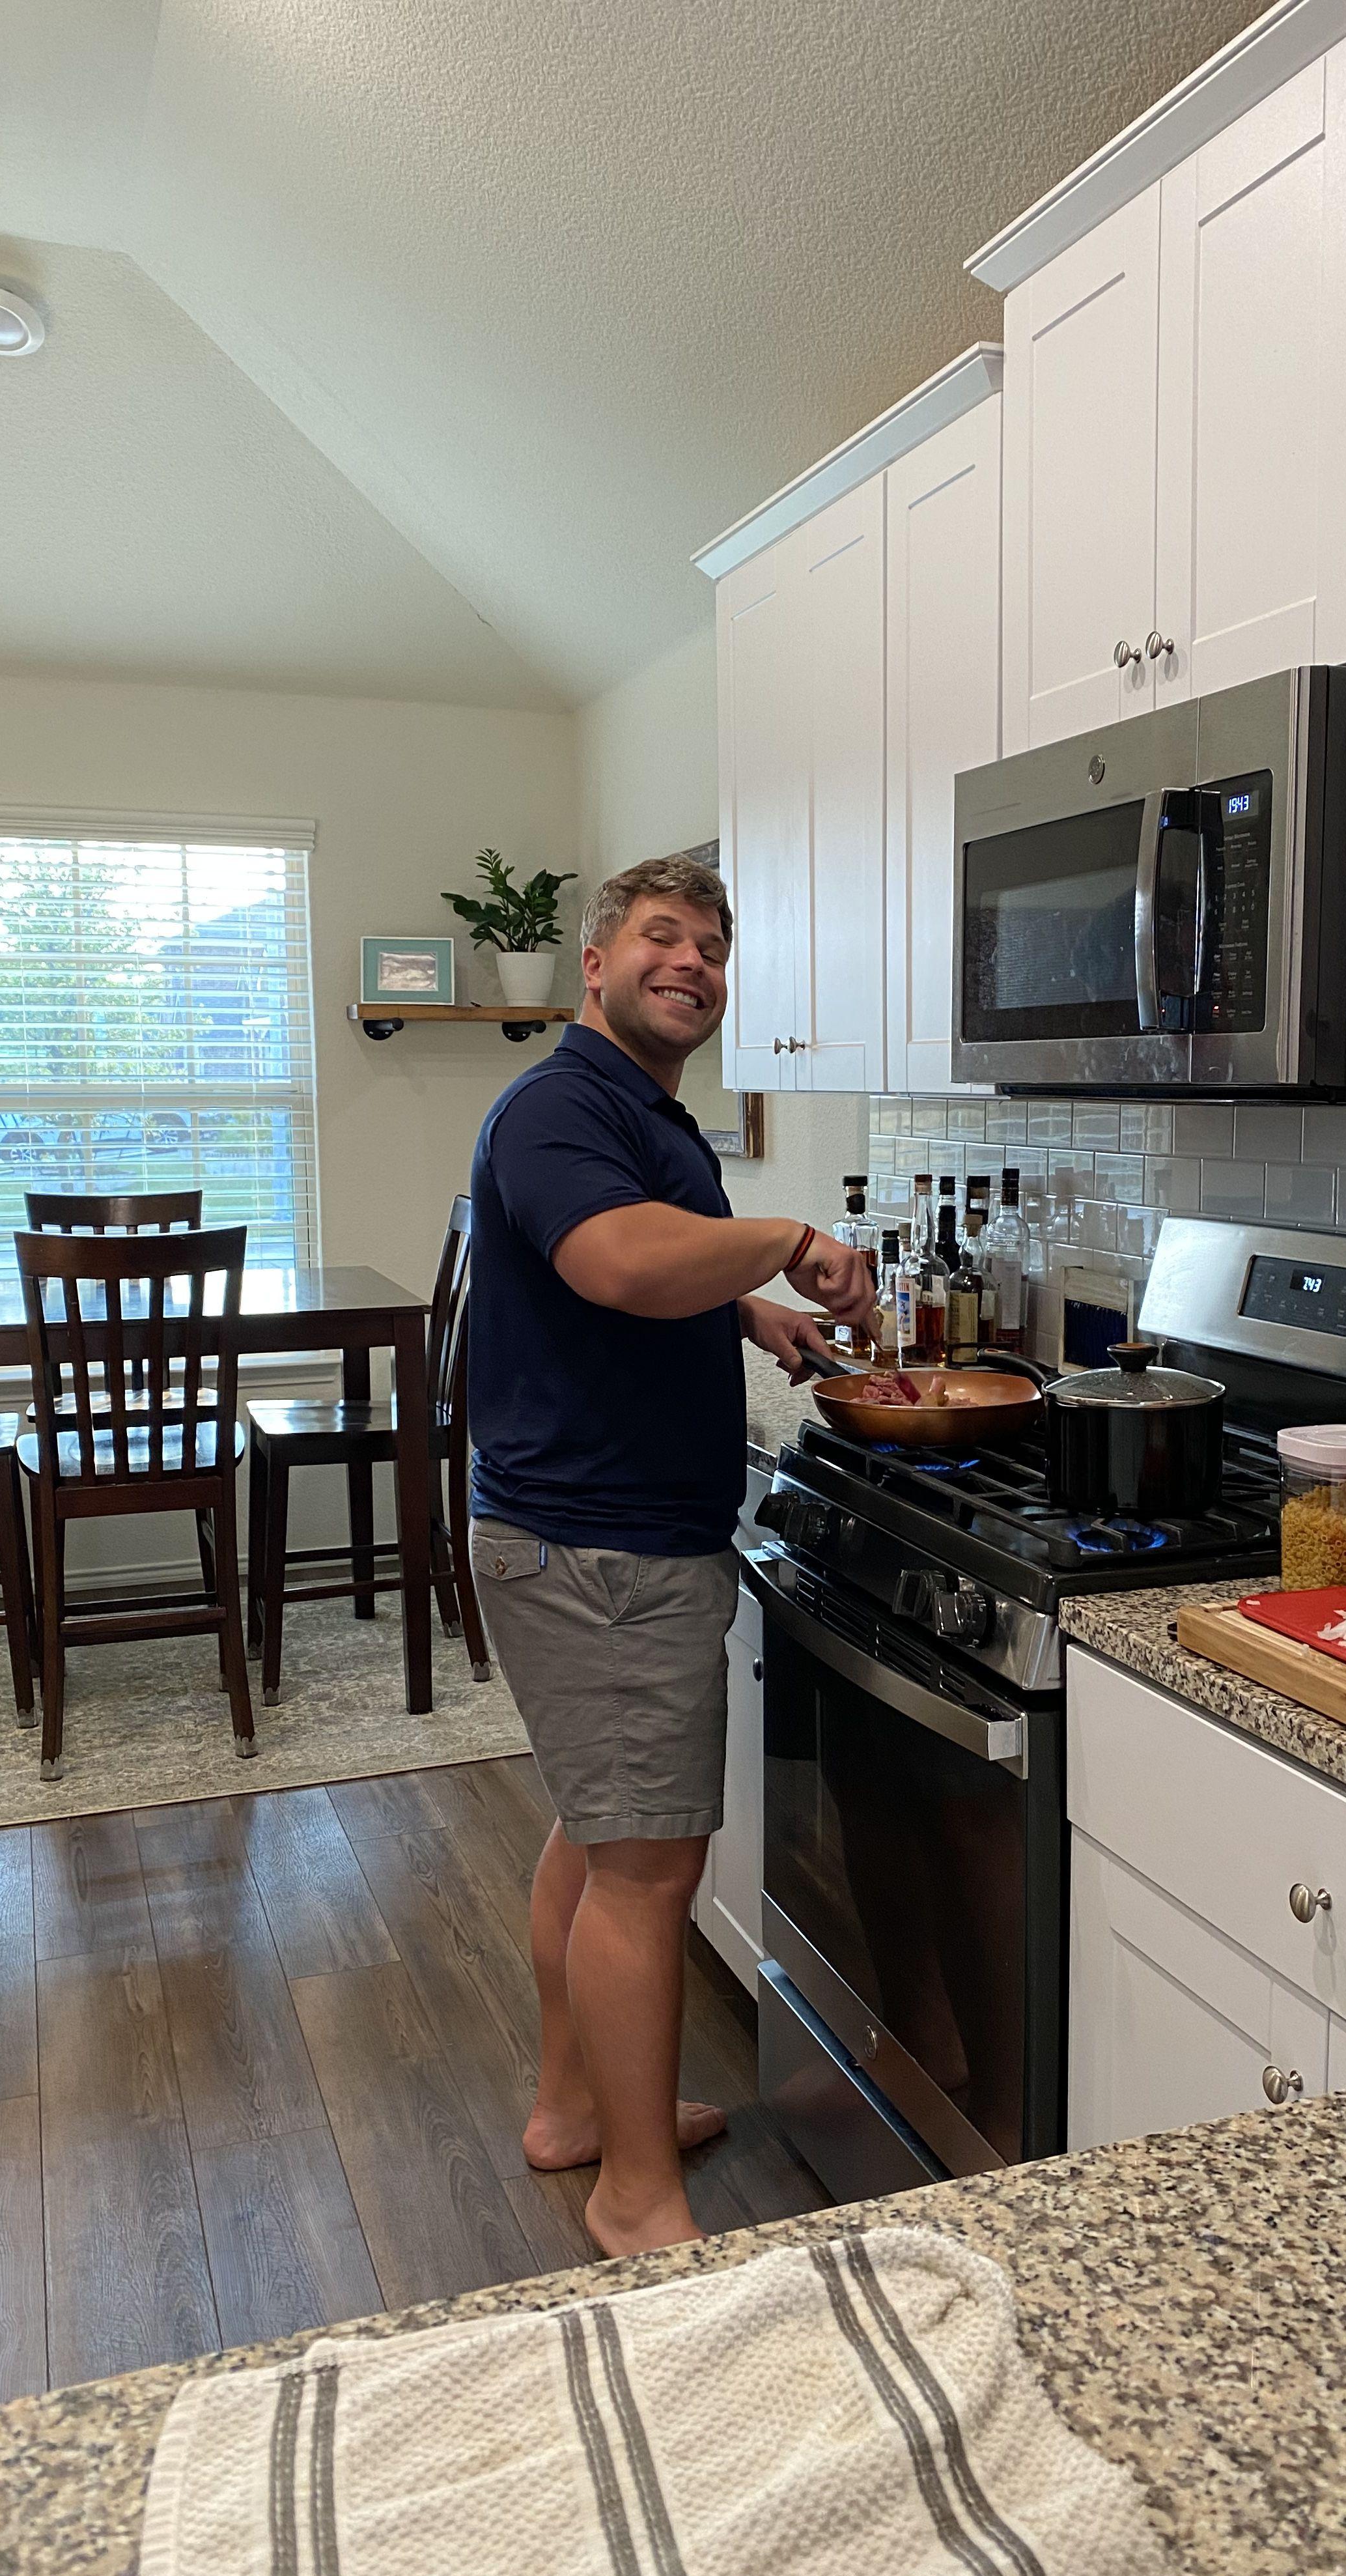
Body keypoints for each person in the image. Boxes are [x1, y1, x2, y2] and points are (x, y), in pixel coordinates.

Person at [464, 855, 878, 2256]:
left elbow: (647, 1273)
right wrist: (787, 1247)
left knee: (600, 1841)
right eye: (661, 937)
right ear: (595, 963)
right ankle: (634, 2193)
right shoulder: (559, 1106)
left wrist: (742, 1317)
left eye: (710, 944)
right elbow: (620, 1265)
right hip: (602, 1550)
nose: (690, 961)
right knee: (646, 1869)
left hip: (587, 1533)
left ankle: (575, 2111)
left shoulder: (636, 1112)